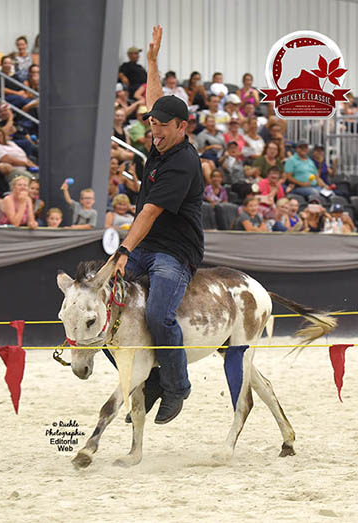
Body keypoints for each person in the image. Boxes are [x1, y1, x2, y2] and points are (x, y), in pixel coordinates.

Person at [111, 25, 204, 424]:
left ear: (183, 127)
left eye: (163, 126)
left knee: (158, 316)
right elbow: (154, 101)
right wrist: (150, 62)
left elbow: (148, 213)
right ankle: (146, 380)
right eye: (152, 125)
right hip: (146, 245)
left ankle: (175, 386)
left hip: (174, 251)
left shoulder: (183, 161)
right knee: (108, 304)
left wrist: (123, 251)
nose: (155, 130)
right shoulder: (161, 141)